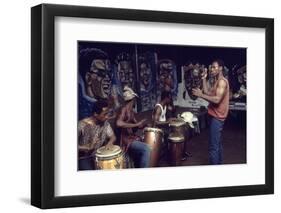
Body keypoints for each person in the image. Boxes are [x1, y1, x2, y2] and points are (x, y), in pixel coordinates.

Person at [192, 59, 229, 164]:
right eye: (211, 67)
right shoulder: (217, 81)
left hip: (217, 118)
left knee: (213, 148)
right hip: (215, 116)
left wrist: (200, 95)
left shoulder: (222, 81)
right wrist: (204, 78)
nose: (211, 69)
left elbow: (217, 100)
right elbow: (208, 92)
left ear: (220, 68)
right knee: (218, 144)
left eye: (214, 67)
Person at [116, 86, 151, 168]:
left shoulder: (131, 111)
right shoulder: (123, 109)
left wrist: (144, 125)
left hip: (131, 137)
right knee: (146, 148)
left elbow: (138, 125)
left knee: (146, 143)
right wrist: (136, 125)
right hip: (125, 139)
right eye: (135, 99)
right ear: (133, 99)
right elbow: (118, 123)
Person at [78, 100, 116, 170]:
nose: (107, 117)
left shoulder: (105, 123)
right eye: (105, 114)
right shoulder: (81, 125)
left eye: (108, 114)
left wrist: (109, 143)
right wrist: (86, 148)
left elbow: (112, 137)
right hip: (83, 158)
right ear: (95, 114)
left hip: (98, 156)